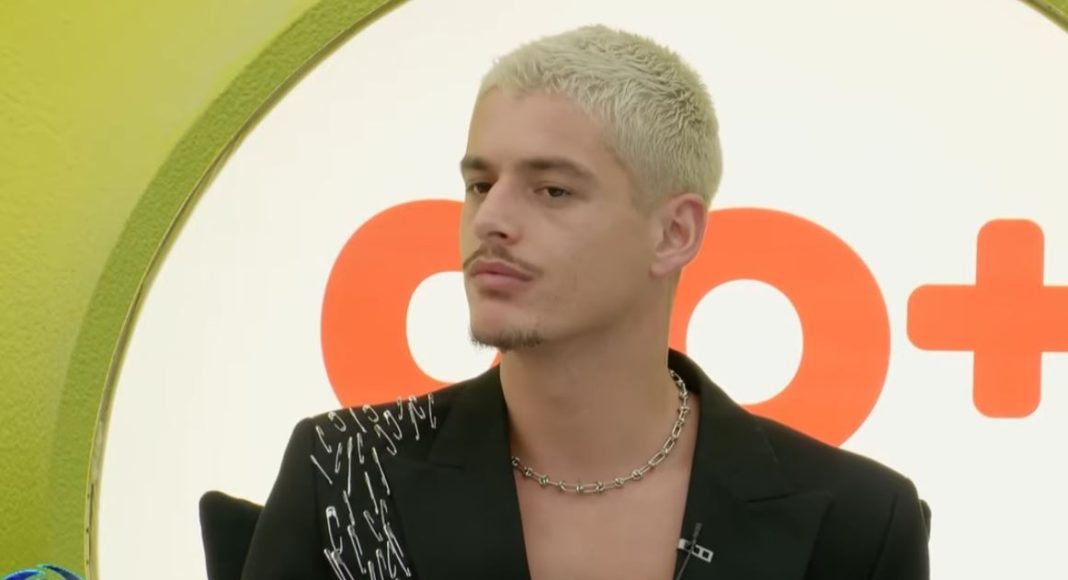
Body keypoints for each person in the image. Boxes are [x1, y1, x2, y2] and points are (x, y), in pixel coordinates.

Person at [238, 24, 931, 580]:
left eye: (552, 190)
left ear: (674, 233)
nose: (490, 221)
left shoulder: (857, 523)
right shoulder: (346, 472)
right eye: (480, 185)